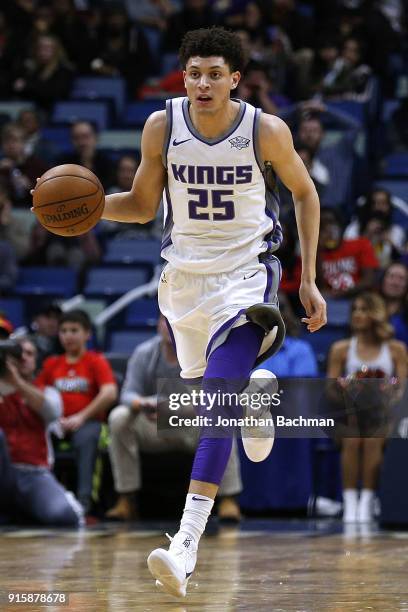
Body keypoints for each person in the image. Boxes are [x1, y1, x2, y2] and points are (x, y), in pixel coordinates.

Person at [85, 26, 326, 597]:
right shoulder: (161, 126)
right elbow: (143, 206)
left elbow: (306, 193)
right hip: (184, 283)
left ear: (235, 79)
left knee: (216, 405)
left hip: (246, 276)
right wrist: (89, 206)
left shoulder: (264, 130)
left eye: (215, 73)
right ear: (183, 76)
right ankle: (257, 391)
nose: (203, 83)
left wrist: (308, 279)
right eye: (194, 73)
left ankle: (185, 543)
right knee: (214, 394)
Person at [107, 315, 242, 523]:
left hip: (190, 426)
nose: (169, 325)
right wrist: (143, 404)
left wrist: (171, 407)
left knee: (220, 419)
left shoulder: (203, 352)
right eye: (164, 320)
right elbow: (127, 394)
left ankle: (228, 499)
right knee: (119, 417)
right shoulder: (145, 353)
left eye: (175, 320)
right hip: (154, 425)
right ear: (158, 324)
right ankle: (126, 498)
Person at [327, 293, 406, 523]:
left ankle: (367, 502)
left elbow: (402, 388)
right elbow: (330, 388)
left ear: (376, 314)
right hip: (350, 415)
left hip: (385, 415)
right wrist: (347, 390)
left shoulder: (396, 349)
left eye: (364, 309)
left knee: (372, 438)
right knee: (352, 438)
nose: (358, 315)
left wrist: (387, 395)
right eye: (355, 310)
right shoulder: (340, 349)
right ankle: (350, 503)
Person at [36, 309, 117, 514]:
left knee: (86, 439)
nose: (68, 336)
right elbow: (38, 394)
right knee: (37, 436)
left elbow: (109, 392)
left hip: (88, 423)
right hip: (57, 424)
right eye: (63, 331)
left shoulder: (95, 361)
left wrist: (81, 417)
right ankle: (42, 501)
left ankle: (84, 502)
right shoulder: (51, 364)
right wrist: (53, 418)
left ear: (87, 334)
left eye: (74, 330)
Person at [0, 337, 84, 526]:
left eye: (29, 353)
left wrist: (17, 382)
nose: (22, 358)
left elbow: (53, 412)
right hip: (2, 472)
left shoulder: (47, 391)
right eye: (17, 353)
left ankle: (25, 510)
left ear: (36, 361)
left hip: (33, 474)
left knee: (64, 516)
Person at [318, 208, 379, 298]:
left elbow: (369, 280)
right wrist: (318, 251)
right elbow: (320, 286)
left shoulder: (361, 244)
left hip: (359, 297)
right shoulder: (314, 254)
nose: (327, 229)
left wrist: (343, 293)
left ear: (339, 226)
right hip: (330, 303)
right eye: (322, 226)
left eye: (331, 223)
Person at [59, 121, 113, 190]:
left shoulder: (107, 163)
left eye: (86, 137)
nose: (81, 142)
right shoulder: (64, 164)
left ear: (96, 138)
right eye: (76, 138)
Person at [380, 261, 408, 345]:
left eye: (401, 278)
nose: (395, 283)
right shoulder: (369, 309)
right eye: (391, 277)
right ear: (383, 280)